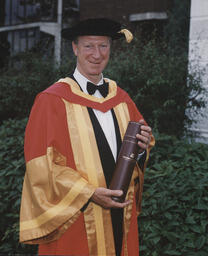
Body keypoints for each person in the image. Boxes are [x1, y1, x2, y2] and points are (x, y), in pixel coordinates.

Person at [19, 18, 155, 256]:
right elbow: (42, 166)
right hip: (76, 218)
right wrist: (89, 193)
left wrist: (142, 148)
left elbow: (141, 146)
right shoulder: (51, 101)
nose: (96, 54)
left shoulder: (121, 98)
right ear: (75, 48)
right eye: (89, 46)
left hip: (119, 216)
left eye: (103, 46)